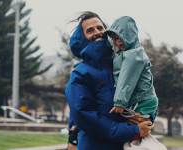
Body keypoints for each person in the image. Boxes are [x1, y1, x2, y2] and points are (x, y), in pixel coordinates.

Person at [65, 11, 153, 150]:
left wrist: (147, 117)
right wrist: (132, 131)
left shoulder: (124, 63)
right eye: (90, 30)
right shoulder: (80, 74)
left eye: (100, 28)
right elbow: (83, 114)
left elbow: (145, 91)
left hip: (127, 145)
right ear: (82, 39)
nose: (97, 32)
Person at [107, 16, 158, 124]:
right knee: (137, 131)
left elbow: (126, 78)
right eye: (115, 39)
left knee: (138, 131)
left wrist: (119, 103)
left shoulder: (134, 55)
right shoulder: (126, 54)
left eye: (121, 37)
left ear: (131, 36)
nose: (118, 42)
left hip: (143, 102)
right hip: (141, 100)